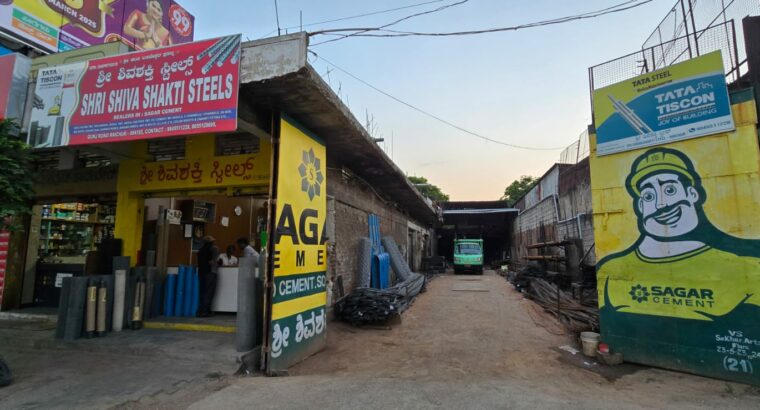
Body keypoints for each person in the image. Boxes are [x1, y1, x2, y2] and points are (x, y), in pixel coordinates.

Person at [196, 235, 219, 317]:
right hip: (210, 272)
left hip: (201, 273)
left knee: (203, 292)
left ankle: (201, 310)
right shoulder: (213, 249)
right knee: (209, 292)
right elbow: (213, 261)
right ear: (210, 242)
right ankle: (205, 311)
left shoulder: (200, 250)